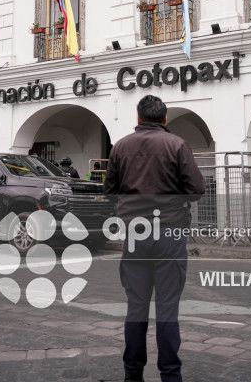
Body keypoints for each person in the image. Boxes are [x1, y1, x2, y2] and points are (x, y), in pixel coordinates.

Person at [104, 95, 205, 382]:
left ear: (138, 118)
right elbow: (197, 189)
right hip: (169, 232)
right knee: (167, 307)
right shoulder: (176, 145)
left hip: (136, 234)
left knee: (136, 306)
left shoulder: (120, 146)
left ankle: (132, 373)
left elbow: (110, 190)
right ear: (164, 119)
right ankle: (170, 375)